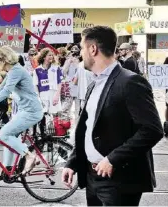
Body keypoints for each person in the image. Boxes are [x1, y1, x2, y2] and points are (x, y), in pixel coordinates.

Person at [61, 26, 163, 206]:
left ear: (93, 49)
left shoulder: (130, 82)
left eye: (83, 48)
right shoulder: (94, 82)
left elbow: (152, 130)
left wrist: (112, 159)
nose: (80, 54)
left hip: (119, 180)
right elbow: (88, 128)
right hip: (93, 178)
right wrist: (73, 162)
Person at [0, 46, 43, 180]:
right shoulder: (13, 70)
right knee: (9, 137)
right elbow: (0, 88)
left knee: (4, 133)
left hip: (31, 111)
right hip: (26, 110)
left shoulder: (16, 71)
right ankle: (6, 169)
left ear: (4, 60)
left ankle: (29, 156)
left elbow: (6, 92)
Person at [33, 48, 63, 122]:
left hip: (54, 93)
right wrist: (38, 97)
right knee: (43, 113)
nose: (51, 57)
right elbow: (35, 85)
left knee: (54, 114)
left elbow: (59, 82)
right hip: (43, 94)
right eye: (49, 55)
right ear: (44, 57)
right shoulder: (37, 70)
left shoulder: (56, 68)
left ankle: (53, 131)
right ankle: (43, 131)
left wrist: (57, 95)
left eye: (52, 55)